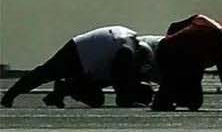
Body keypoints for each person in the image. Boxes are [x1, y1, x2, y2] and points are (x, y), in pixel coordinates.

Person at [2, 25, 156, 108]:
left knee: (96, 100)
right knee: (45, 73)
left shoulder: (129, 40)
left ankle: (63, 89)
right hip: (77, 52)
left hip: (84, 49)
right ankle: (11, 95)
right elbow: (120, 78)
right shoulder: (126, 51)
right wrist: (126, 99)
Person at [150, 15, 222, 112]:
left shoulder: (203, 20)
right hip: (179, 58)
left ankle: (167, 97)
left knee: (190, 97)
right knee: (191, 100)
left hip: (168, 50)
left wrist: (172, 39)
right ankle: (163, 99)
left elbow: (174, 26)